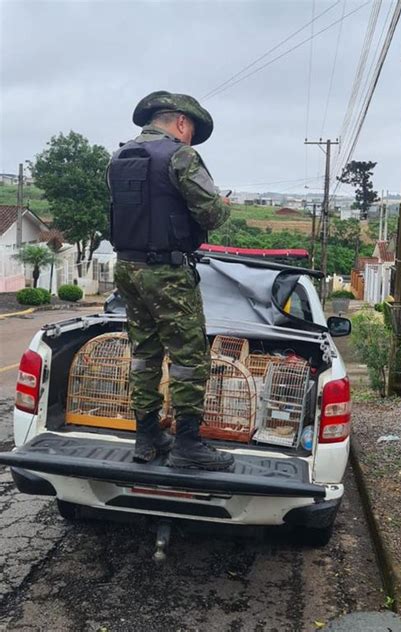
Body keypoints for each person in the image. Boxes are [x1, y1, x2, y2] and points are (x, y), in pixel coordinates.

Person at [108, 91, 234, 471]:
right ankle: (188, 444)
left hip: (127, 268)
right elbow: (211, 215)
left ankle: (146, 437)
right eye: (191, 129)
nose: (190, 137)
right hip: (167, 273)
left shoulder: (118, 158)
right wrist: (223, 205)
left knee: (145, 353)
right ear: (181, 122)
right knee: (189, 357)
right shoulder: (181, 155)